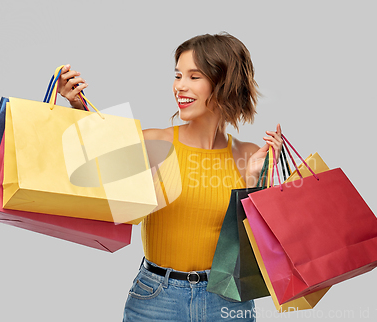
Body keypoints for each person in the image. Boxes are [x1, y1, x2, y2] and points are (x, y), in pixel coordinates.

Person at [57, 33, 283, 321]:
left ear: (224, 83)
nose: (180, 86)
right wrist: (79, 107)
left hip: (227, 301)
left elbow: (261, 255)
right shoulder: (154, 143)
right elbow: (98, 171)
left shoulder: (249, 155)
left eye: (194, 76)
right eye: (178, 76)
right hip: (156, 298)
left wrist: (255, 182)